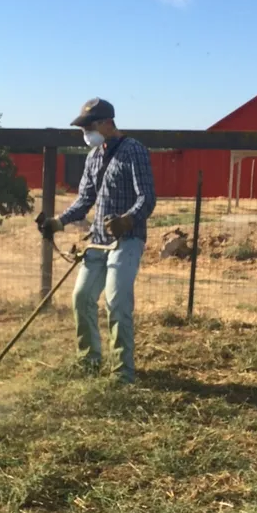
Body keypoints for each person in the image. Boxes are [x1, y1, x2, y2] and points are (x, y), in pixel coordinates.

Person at [40, 98, 156, 383]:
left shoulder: (134, 151)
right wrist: (59, 222)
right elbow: (84, 200)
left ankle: (123, 372)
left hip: (127, 239)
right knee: (81, 298)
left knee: (116, 303)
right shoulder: (93, 157)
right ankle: (89, 360)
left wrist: (127, 219)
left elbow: (147, 198)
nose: (85, 133)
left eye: (89, 126)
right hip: (98, 240)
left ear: (107, 123)